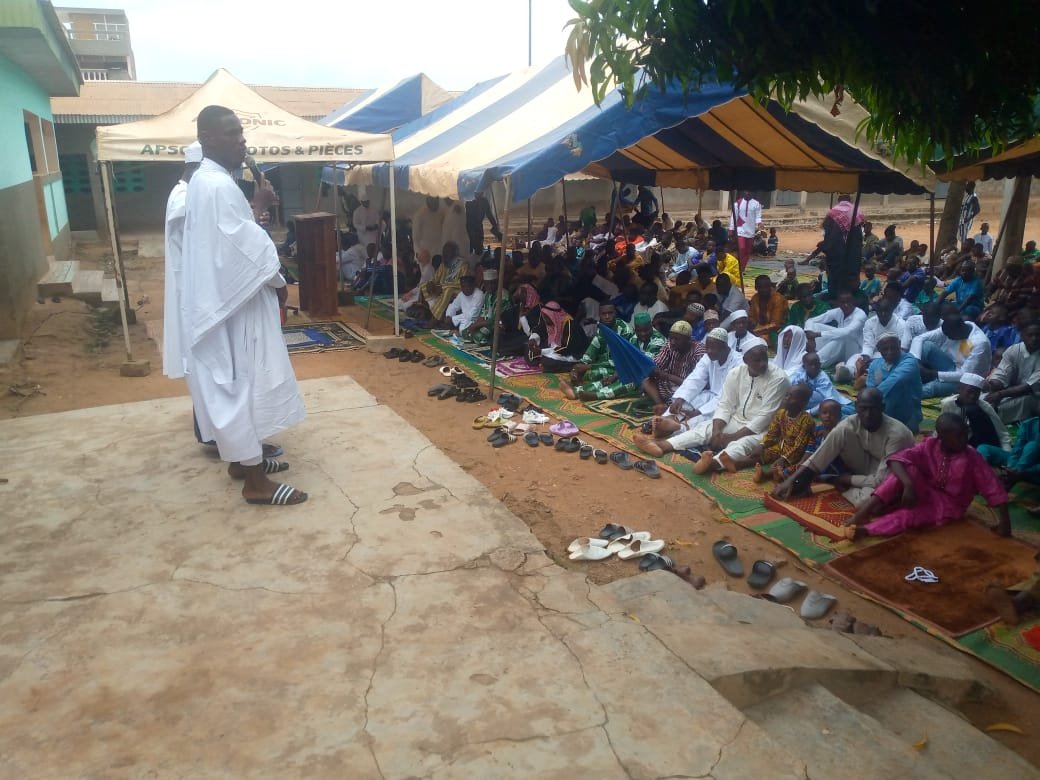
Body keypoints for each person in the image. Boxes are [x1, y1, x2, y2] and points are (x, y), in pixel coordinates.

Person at [181, 105, 306, 506]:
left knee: (238, 379)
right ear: (207, 139)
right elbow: (245, 246)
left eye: (241, 133)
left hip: (225, 298)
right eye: (232, 134)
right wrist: (278, 279)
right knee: (243, 382)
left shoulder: (207, 181)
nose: (242, 142)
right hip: (237, 304)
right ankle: (255, 484)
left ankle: (241, 461)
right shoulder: (218, 187)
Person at [843, 414, 1010, 539]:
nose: (964, 440)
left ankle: (867, 530)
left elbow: (992, 486)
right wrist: (908, 485)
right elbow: (896, 460)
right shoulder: (930, 445)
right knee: (904, 472)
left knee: (910, 516)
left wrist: (1005, 523)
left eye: (965, 435)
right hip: (926, 490)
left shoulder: (971, 457)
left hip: (949, 505)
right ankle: (861, 514)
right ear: (942, 437)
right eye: (958, 436)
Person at [634, 339, 789, 469]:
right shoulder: (736, 373)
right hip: (737, 420)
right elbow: (725, 405)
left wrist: (730, 438)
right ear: (745, 360)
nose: (763, 364)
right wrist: (717, 431)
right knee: (705, 429)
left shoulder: (778, 379)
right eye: (757, 360)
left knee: (743, 444)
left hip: (763, 429)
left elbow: (765, 417)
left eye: (764, 359)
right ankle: (663, 445)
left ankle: (713, 463)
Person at [772, 388, 915, 506]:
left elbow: (881, 481)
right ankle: (804, 482)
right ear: (856, 408)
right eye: (863, 409)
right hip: (866, 466)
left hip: (892, 474)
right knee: (841, 432)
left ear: (883, 408)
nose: (867, 415)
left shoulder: (897, 434)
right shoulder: (851, 422)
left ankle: (840, 484)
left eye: (873, 409)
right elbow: (819, 455)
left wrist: (846, 480)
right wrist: (791, 481)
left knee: (866, 502)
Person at [162, 141, 203, 382]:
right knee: (198, 354)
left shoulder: (185, 193)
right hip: (190, 283)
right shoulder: (184, 197)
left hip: (192, 280)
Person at [657, 327, 743, 430]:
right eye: (707, 348)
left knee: (700, 418)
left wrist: (698, 412)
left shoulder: (739, 363)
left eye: (712, 348)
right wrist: (680, 399)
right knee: (685, 403)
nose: (709, 351)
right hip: (710, 395)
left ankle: (675, 430)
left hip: (728, 402)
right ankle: (663, 420)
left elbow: (727, 395)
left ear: (724, 347)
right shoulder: (708, 356)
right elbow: (695, 379)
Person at [744, 384, 816, 481]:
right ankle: (736, 463)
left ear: (802, 403)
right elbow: (772, 434)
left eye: (792, 397)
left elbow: (799, 446)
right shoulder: (781, 413)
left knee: (783, 465)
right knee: (761, 453)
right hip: (781, 446)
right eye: (787, 395)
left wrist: (784, 458)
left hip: (797, 453)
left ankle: (765, 475)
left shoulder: (806, 420)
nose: (786, 399)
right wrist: (761, 445)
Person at [910, 314, 992, 398]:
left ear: (958, 331)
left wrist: (932, 374)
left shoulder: (979, 343)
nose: (947, 337)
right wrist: (916, 362)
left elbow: (963, 375)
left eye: (949, 335)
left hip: (966, 381)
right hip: (950, 366)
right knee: (927, 346)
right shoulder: (955, 326)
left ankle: (907, 396)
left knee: (932, 387)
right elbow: (919, 338)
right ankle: (908, 374)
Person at [562, 303, 633, 397]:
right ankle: (580, 385)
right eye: (604, 314)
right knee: (581, 369)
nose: (607, 317)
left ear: (615, 313)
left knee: (594, 374)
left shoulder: (625, 331)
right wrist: (579, 366)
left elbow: (623, 360)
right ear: (599, 315)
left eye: (610, 313)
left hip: (622, 367)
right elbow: (593, 348)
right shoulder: (602, 328)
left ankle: (578, 391)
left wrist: (590, 366)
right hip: (607, 365)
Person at [837, 297, 906, 384]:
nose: (883, 314)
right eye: (880, 311)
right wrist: (865, 359)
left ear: (892, 310)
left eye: (886, 311)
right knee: (855, 358)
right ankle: (848, 372)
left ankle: (860, 376)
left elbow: (901, 349)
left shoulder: (901, 324)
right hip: (872, 354)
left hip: (890, 356)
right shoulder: (870, 322)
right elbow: (868, 344)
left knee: (882, 367)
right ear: (876, 310)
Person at [865, 333, 923, 433]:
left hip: (908, 414)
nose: (890, 352)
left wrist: (870, 399)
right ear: (878, 349)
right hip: (880, 410)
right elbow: (871, 387)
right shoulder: (875, 364)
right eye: (885, 349)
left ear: (899, 345)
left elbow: (896, 380)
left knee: (895, 389)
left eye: (893, 348)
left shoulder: (909, 360)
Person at [642, 320, 704, 412]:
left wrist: (667, 376)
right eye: (671, 338)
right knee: (647, 382)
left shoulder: (698, 352)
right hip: (668, 384)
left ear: (688, 340)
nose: (672, 342)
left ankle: (671, 408)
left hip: (687, 388)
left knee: (694, 398)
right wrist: (652, 370)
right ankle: (661, 405)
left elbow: (697, 384)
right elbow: (657, 364)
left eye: (677, 339)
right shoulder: (670, 345)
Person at [984, 321, 1040, 423]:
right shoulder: (1013, 350)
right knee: (983, 400)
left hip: (1034, 396)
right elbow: (1002, 374)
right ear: (1022, 336)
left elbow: (1028, 387)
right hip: (1009, 391)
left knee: (1022, 402)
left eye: (1037, 335)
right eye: (1030, 335)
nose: (1034, 338)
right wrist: (994, 384)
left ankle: (991, 419)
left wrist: (1000, 394)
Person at [940, 373, 1011, 451]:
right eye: (969, 392)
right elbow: (943, 426)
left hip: (981, 443)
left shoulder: (984, 406)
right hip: (958, 441)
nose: (972, 396)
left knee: (972, 410)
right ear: (959, 389)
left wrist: (1006, 454)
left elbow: (1002, 434)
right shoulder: (947, 403)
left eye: (977, 393)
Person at [804, 291, 868, 369]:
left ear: (853, 301)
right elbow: (811, 320)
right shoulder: (838, 311)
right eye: (842, 302)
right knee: (815, 326)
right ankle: (813, 352)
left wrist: (818, 334)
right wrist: (810, 336)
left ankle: (816, 361)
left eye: (848, 302)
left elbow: (848, 331)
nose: (846, 305)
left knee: (842, 336)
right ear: (838, 303)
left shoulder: (860, 315)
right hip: (840, 349)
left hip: (854, 350)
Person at [820, 196, 865, 295]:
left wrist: (826, 247)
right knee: (850, 279)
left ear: (839, 201)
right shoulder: (857, 212)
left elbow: (829, 234)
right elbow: (860, 236)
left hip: (837, 255)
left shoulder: (833, 213)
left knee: (835, 280)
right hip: (853, 255)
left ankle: (835, 297)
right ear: (850, 200)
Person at [527, 301, 588, 372]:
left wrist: (541, 351)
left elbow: (566, 348)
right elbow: (539, 330)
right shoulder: (549, 321)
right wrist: (533, 339)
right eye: (544, 317)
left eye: (547, 317)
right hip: (557, 349)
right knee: (528, 349)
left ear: (553, 316)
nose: (545, 320)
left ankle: (576, 366)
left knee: (548, 362)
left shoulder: (569, 325)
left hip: (572, 353)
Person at [791, 351, 854, 417]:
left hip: (833, 402)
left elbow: (829, 399)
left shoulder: (823, 378)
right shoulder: (800, 372)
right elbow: (793, 384)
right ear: (804, 366)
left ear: (820, 365)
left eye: (816, 364)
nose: (814, 367)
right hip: (812, 400)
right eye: (811, 364)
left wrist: (810, 412)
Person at [421, 241, 467, 321]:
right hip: (443, 287)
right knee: (424, 286)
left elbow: (463, 282)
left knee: (447, 291)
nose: (446, 254)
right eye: (444, 252)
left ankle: (435, 319)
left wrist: (442, 287)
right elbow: (436, 278)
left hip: (458, 289)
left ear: (455, 253)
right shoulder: (444, 264)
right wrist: (431, 283)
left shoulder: (463, 265)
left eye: (448, 252)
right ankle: (429, 311)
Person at [468, 269, 514, 346]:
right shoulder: (487, 294)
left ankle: (492, 340)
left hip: (501, 324)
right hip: (489, 323)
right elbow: (484, 315)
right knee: (466, 331)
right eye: (486, 284)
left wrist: (476, 326)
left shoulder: (503, 296)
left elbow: (494, 320)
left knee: (479, 336)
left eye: (492, 283)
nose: (489, 286)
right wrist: (474, 325)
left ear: (497, 282)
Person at [729, 191, 763, 270]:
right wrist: (731, 230)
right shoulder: (738, 203)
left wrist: (760, 223)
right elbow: (733, 217)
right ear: (744, 192)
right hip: (740, 230)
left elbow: (758, 217)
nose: (748, 193)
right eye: (746, 191)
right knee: (741, 248)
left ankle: (742, 267)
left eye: (750, 191)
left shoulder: (756, 204)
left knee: (748, 251)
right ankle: (738, 265)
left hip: (750, 231)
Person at [748, 274, 790, 339]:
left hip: (778, 331)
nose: (764, 290)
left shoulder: (778, 299)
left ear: (770, 286)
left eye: (766, 287)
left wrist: (755, 331)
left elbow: (776, 324)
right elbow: (751, 316)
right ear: (756, 288)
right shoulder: (755, 298)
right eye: (761, 287)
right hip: (759, 330)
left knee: (760, 338)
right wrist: (750, 323)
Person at [440, 198, 471, 264]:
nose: (446, 200)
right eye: (445, 198)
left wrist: (458, 207)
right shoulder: (445, 210)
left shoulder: (458, 204)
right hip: (449, 247)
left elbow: (460, 208)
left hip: (460, 244)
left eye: (448, 198)